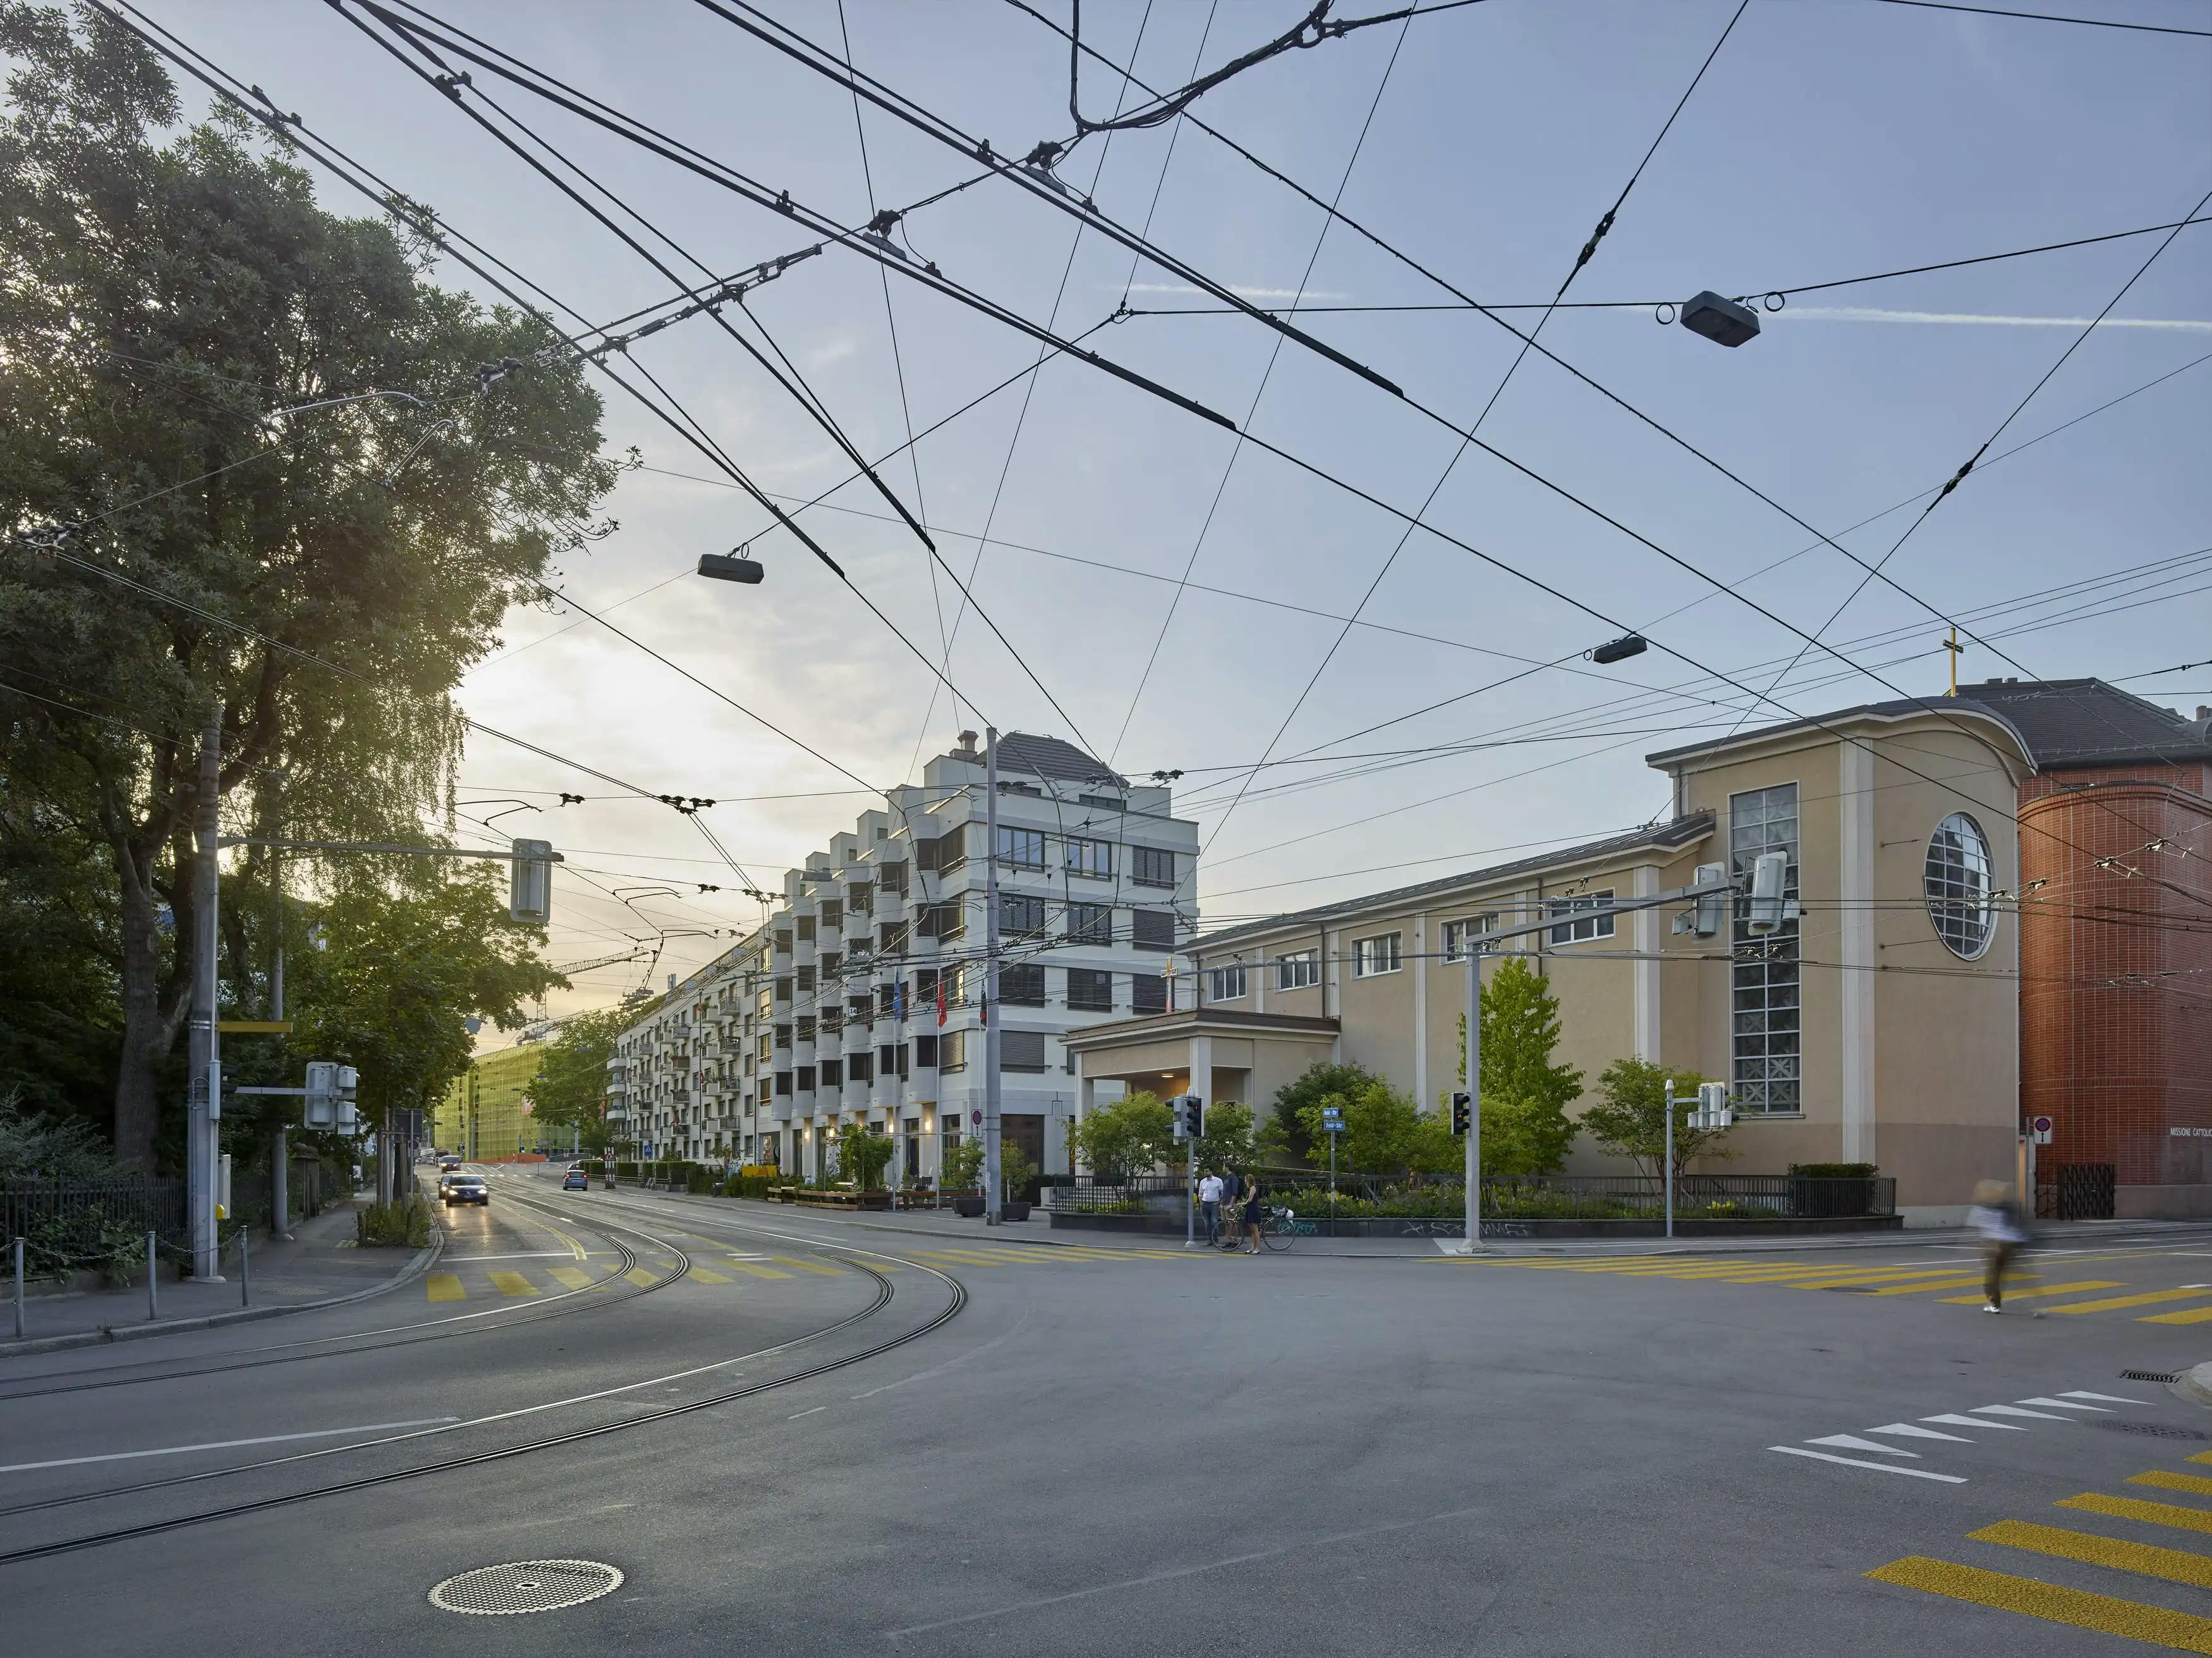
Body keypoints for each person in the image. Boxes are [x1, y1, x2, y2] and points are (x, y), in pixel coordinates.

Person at [1967, 1178, 2029, 1312]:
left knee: (1993, 1277)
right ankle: (1996, 1302)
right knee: (1999, 1275)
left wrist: (1988, 1247)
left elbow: (1987, 1231)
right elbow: (2014, 1226)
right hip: (2008, 1245)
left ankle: (1995, 1304)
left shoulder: (1984, 1209)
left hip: (1997, 1245)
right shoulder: (2005, 1208)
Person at [1198, 1169, 1225, 1245]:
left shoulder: (1218, 1181)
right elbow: (1200, 1194)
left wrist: (1218, 1202)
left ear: (1211, 1172)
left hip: (1214, 1204)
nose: (1205, 1172)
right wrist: (1201, 1204)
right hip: (1205, 1204)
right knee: (1207, 1223)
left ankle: (1215, 1239)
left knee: (1214, 1222)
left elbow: (1222, 1193)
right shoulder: (1203, 1182)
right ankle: (1210, 1240)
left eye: (1207, 1171)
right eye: (1205, 1171)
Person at [1242, 1174, 1267, 1255]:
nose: (1245, 1181)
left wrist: (1243, 1204)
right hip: (1249, 1210)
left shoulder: (1253, 1188)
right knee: (1252, 1230)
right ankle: (1253, 1247)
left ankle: (1257, 1248)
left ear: (1250, 1180)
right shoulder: (1250, 1189)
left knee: (1255, 1230)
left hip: (1253, 1210)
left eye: (1246, 1180)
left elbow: (1250, 1200)